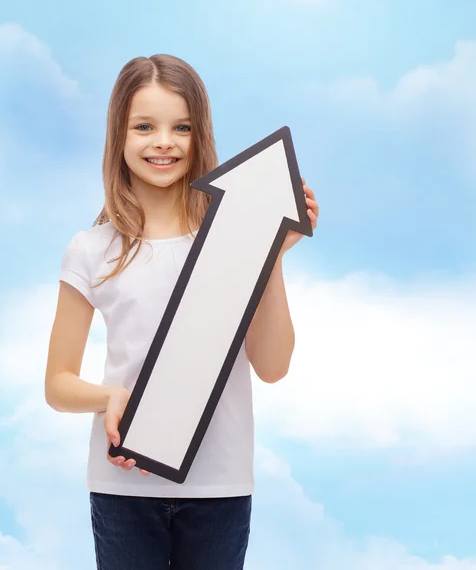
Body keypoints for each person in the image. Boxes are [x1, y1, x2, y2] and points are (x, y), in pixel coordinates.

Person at [44, 54, 319, 570]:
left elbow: (273, 366)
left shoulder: (232, 236)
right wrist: (113, 398)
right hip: (124, 487)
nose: (164, 142)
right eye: (144, 126)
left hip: (219, 485)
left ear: (200, 136)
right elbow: (57, 384)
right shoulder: (90, 249)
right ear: (118, 136)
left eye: (181, 127)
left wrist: (272, 253)